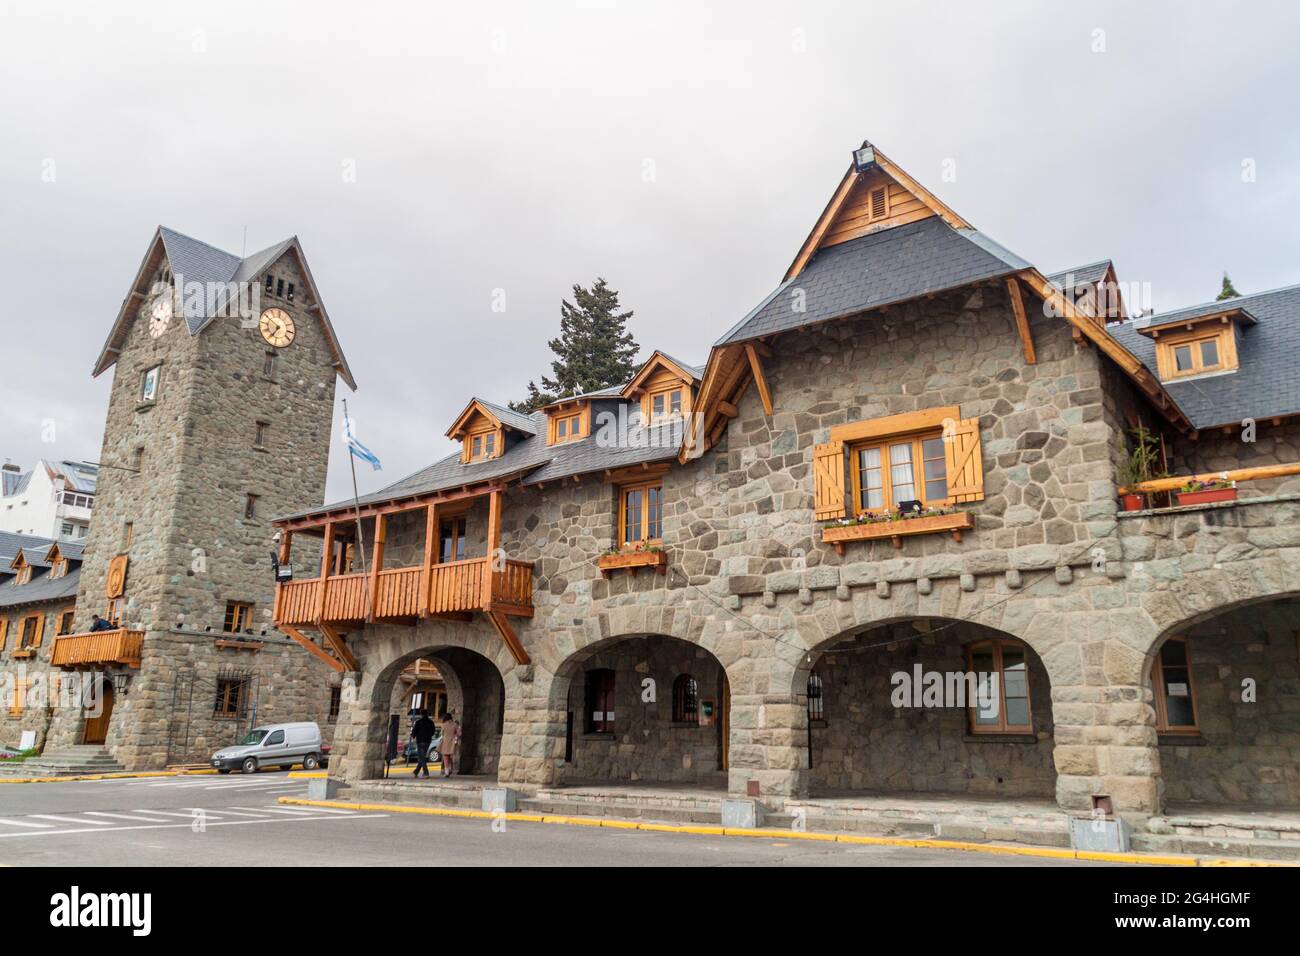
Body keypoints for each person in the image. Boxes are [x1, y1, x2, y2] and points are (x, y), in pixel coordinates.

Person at [411, 708, 436, 778]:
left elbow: (414, 731)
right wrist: (429, 735)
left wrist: (413, 735)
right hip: (427, 741)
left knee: (422, 757)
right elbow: (433, 731)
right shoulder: (431, 722)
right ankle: (416, 771)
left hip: (420, 741)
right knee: (422, 756)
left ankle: (426, 772)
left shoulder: (418, 722)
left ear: (421, 714)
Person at [439, 710, 461, 777]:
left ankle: (447, 772)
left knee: (445, 757)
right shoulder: (455, 725)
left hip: (445, 742)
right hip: (452, 742)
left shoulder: (443, 725)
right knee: (450, 756)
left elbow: (442, 734)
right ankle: (451, 769)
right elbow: (459, 734)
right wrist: (456, 734)